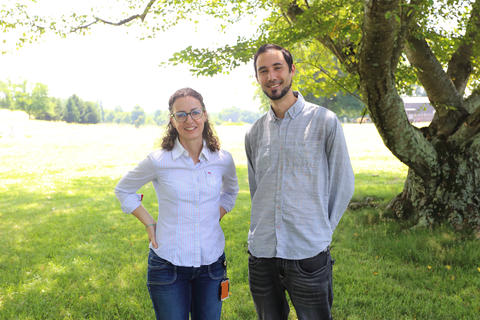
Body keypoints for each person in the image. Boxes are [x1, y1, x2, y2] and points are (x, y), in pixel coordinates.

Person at [245, 44, 354, 320]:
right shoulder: (255, 132)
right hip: (262, 254)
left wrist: (321, 231)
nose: (271, 76)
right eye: (263, 71)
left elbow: (343, 183)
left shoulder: (324, 121)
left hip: (307, 252)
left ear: (292, 70)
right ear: (258, 78)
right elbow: (256, 189)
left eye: (277, 67)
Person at [115, 87, 239, 320]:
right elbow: (124, 189)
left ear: (204, 115)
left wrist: (215, 214)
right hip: (167, 265)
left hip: (212, 267)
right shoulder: (159, 161)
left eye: (194, 112)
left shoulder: (223, 159)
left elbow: (231, 192)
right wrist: (149, 223)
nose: (188, 120)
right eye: (180, 114)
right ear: (172, 120)